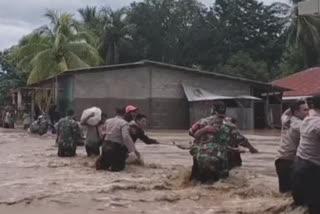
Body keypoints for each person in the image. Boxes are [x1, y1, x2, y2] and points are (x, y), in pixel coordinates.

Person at [188, 101, 247, 183]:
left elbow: (191, 132)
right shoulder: (230, 124)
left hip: (201, 154)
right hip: (221, 156)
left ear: (212, 110)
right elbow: (241, 140)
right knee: (223, 181)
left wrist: (204, 130)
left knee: (195, 180)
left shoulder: (203, 121)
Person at [292, 95, 320, 213]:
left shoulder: (307, 120)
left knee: (303, 206)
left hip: (299, 166)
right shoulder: (318, 123)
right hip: (312, 170)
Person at [275, 99, 308, 193]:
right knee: (294, 194)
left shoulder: (285, 119)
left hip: (280, 160)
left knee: (285, 194)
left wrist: (296, 103)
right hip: (290, 161)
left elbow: (286, 112)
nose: (308, 112)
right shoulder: (300, 125)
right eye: (305, 110)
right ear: (296, 112)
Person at [96, 107, 137, 171]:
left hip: (105, 146)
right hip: (115, 147)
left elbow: (102, 134)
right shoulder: (124, 123)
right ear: (125, 113)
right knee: (117, 170)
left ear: (116, 113)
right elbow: (126, 137)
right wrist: (132, 151)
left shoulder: (107, 121)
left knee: (103, 169)